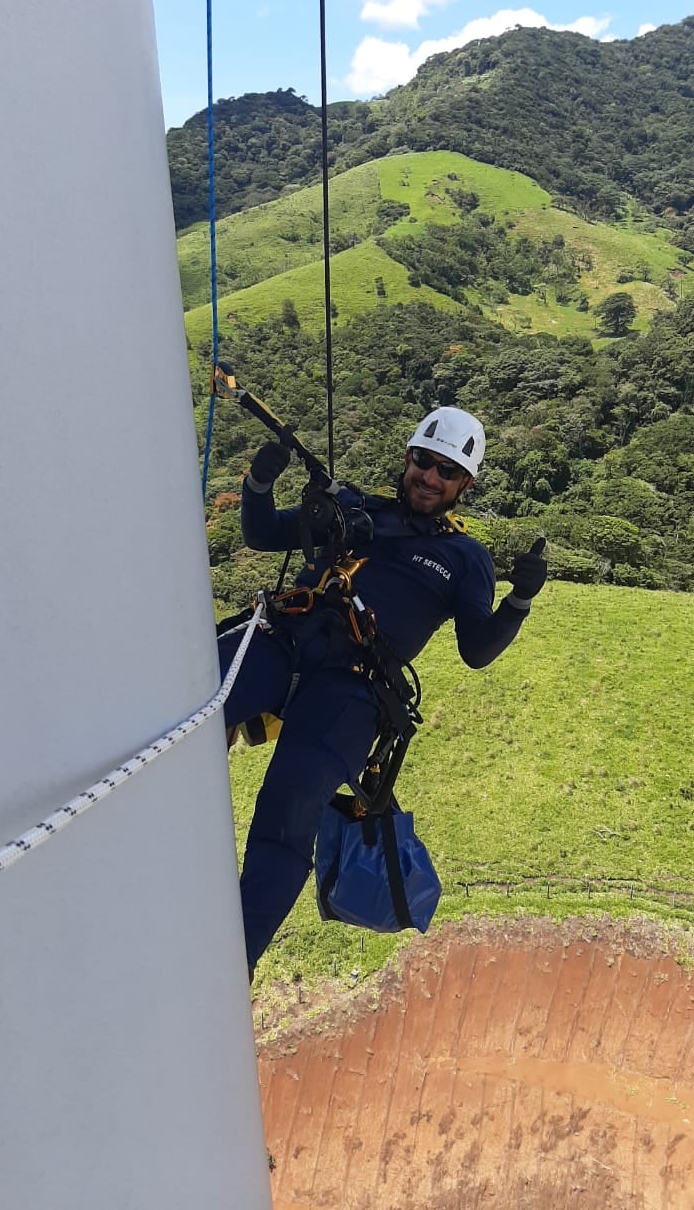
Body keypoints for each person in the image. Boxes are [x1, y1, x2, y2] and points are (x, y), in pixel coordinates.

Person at [219, 406, 547, 972]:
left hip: (354, 688)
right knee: (191, 695)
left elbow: (476, 651)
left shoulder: (465, 559)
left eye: (447, 471)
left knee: (288, 812)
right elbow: (264, 533)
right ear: (407, 458)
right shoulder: (356, 508)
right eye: (424, 461)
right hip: (286, 637)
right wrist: (258, 485)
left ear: (463, 486)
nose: (430, 477)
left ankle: (227, 967)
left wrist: (518, 601)